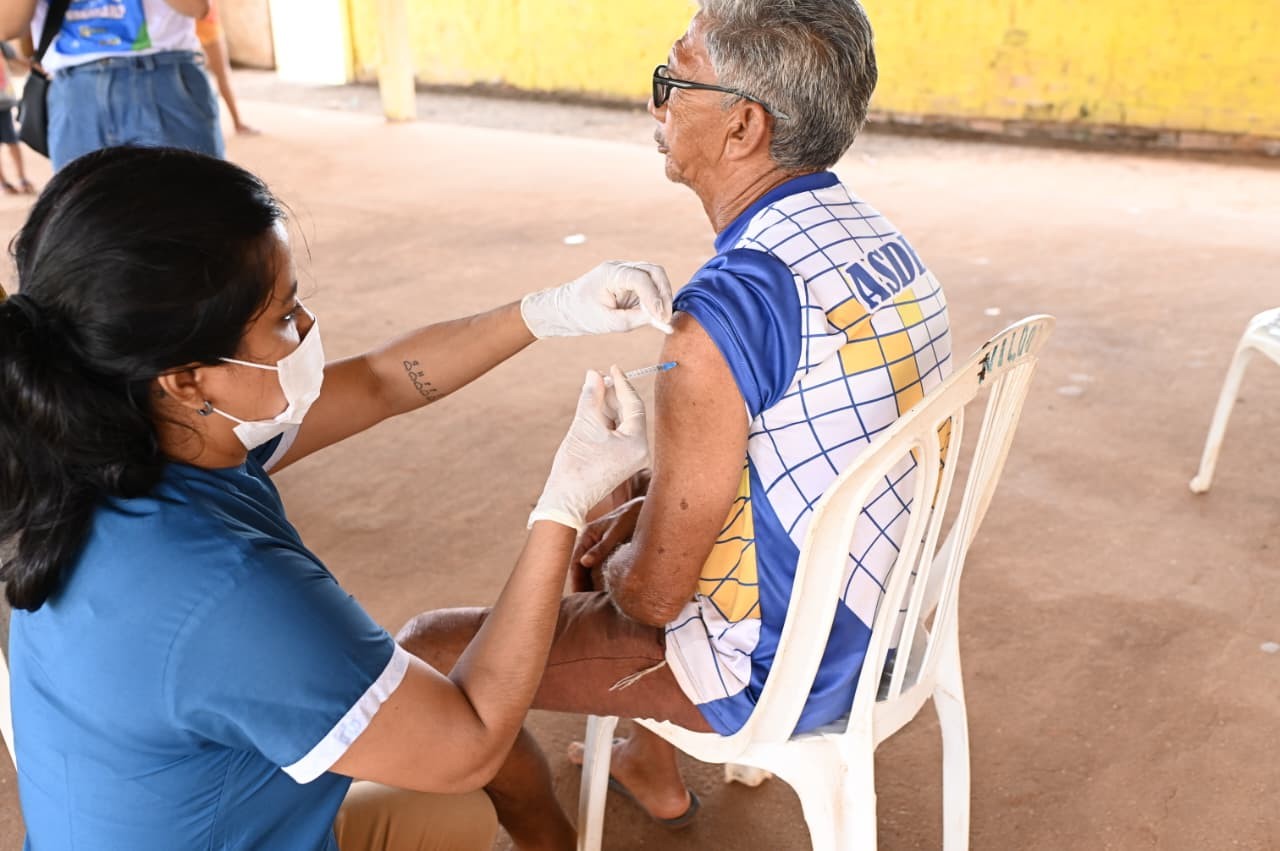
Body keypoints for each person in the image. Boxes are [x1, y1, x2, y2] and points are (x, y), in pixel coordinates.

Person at [0, 145, 675, 849]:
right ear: (191, 378)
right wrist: (562, 507)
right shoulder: (218, 589)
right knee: (475, 760)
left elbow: (385, 380)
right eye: (284, 319)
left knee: (476, 794)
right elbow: (468, 736)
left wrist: (551, 311)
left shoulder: (118, 438)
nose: (309, 332)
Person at [402, 1, 955, 847]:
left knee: (434, 651)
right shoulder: (879, 239)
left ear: (742, 126)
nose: (655, 107)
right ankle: (648, 762)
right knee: (627, 496)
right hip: (880, 614)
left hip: (789, 663)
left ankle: (555, 827)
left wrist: (615, 547)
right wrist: (638, 508)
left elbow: (657, 594)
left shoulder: (717, 319)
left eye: (672, 83)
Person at [0, 1, 223, 170]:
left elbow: (197, 7)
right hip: (75, 90)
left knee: (192, 214)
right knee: (85, 222)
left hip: (162, 77)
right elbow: (7, 26)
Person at [196, 0, 257, 135]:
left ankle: (237, 123)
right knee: (197, 79)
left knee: (222, 74)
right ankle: (233, 124)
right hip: (189, 27)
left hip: (207, 23)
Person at [0, 40, 35, 193]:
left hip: (3, 102)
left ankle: (22, 178)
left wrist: (36, 66)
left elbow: (15, 59)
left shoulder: (1, 44)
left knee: (12, 140)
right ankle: (4, 183)